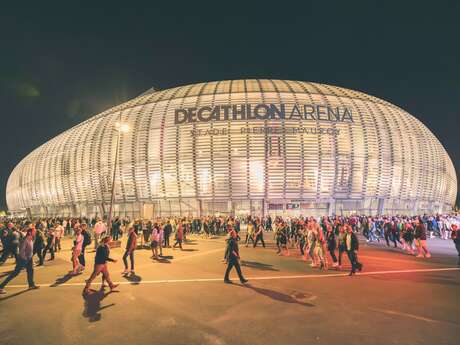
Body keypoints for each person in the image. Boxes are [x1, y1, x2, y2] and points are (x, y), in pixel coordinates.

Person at [0, 230, 39, 294]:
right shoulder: (25, 240)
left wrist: (30, 258)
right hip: (23, 259)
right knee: (15, 273)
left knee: (30, 271)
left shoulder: (31, 239)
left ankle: (31, 285)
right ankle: (1, 286)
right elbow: (21, 251)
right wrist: (25, 258)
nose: (35, 233)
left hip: (29, 259)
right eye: (34, 232)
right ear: (29, 233)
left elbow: (30, 250)